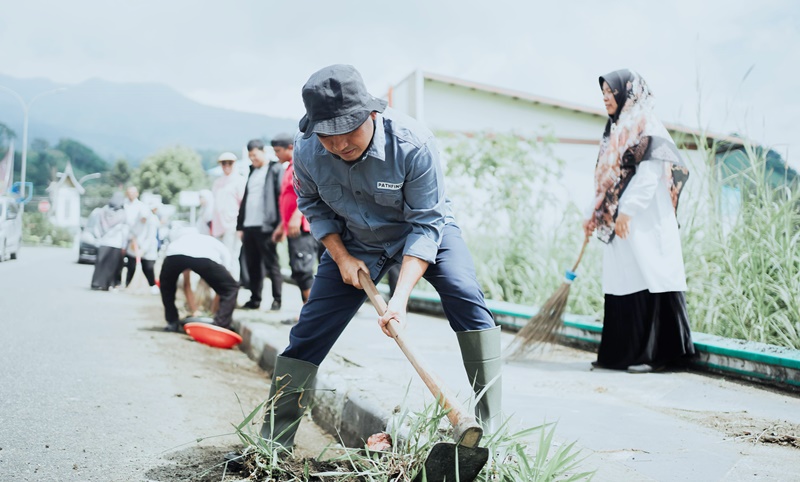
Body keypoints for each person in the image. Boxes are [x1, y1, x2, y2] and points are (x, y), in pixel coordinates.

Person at [258, 64, 502, 449]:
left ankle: (489, 430)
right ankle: (272, 442)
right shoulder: (306, 148)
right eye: (328, 135)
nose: (338, 145)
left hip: (420, 228)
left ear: (373, 113)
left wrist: (399, 300)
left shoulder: (414, 144)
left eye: (347, 131)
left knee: (464, 293)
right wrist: (340, 257)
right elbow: (312, 204)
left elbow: (426, 223)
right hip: (354, 241)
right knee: (309, 330)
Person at [584, 69, 695, 374]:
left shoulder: (646, 123)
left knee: (651, 278)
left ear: (628, 93)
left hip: (644, 219)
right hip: (619, 221)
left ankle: (660, 357)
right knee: (624, 284)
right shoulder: (614, 129)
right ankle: (623, 355)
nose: (606, 99)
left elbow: (650, 173)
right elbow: (604, 179)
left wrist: (628, 211)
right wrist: (592, 214)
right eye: (603, 94)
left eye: (611, 93)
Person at [270, 133, 318, 325]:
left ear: (290, 147)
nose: (276, 155)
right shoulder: (288, 168)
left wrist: (297, 216)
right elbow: (287, 199)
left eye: (278, 151)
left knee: (304, 270)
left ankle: (311, 316)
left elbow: (307, 192)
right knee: (298, 270)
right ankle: (307, 313)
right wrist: (282, 225)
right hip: (291, 226)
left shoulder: (300, 164)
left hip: (302, 227)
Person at [159, 228, 239, 333]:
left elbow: (186, 284)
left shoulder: (181, 242)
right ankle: (220, 325)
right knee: (231, 288)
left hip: (173, 255)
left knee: (167, 288)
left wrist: (195, 311)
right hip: (202, 256)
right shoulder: (221, 250)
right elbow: (223, 289)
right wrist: (215, 313)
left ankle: (172, 322)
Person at [236, 139, 283, 311]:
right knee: (253, 264)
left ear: (263, 152)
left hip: (267, 226)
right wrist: (240, 226)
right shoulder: (252, 171)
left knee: (272, 264)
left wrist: (280, 224)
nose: (252, 159)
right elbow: (245, 200)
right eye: (250, 156)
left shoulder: (274, 169)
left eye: (254, 155)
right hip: (249, 225)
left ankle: (277, 299)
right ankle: (255, 299)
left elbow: (280, 197)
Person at [211, 152, 247, 281]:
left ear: (234, 164)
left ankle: (232, 290)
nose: (226, 166)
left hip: (233, 225)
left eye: (229, 163)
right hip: (218, 225)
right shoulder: (218, 183)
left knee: (231, 257)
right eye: (224, 163)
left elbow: (243, 205)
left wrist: (241, 227)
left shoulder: (239, 181)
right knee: (219, 258)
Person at [91, 192, 129, 291]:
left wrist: (98, 237)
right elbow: (125, 230)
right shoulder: (122, 213)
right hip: (115, 243)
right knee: (111, 266)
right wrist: (124, 244)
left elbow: (97, 227)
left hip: (104, 241)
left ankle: (97, 283)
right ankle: (108, 285)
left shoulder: (103, 211)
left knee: (101, 264)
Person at [121, 185, 148, 287]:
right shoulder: (124, 204)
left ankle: (130, 283)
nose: (131, 194)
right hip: (124, 236)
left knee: (132, 262)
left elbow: (143, 219)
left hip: (136, 237)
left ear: (137, 194)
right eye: (129, 192)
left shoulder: (141, 206)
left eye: (133, 192)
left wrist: (135, 236)